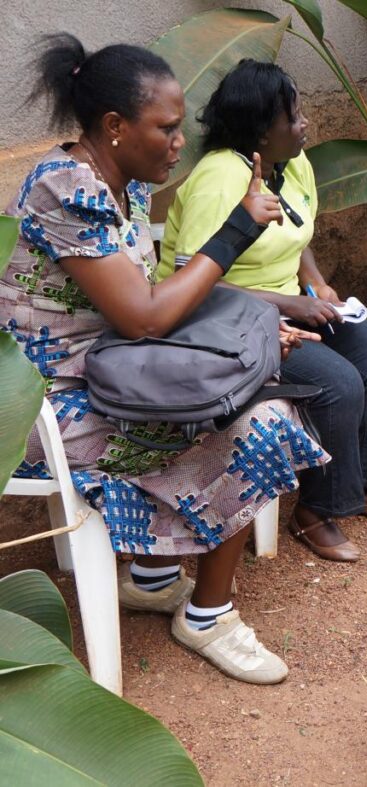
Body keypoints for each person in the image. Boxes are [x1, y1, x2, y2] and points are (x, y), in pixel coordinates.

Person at [3, 35, 329, 683]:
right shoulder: (65, 189)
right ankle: (207, 615)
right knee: (258, 417)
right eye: (168, 128)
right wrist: (237, 228)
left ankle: (153, 577)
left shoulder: (125, 185)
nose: (180, 142)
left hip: (115, 372)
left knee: (245, 373)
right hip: (47, 405)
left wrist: (249, 329)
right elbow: (145, 315)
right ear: (115, 127)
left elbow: (155, 305)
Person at [158, 60, 367, 562]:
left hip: (287, 308)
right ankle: (318, 509)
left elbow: (297, 232)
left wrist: (314, 283)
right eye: (293, 117)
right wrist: (286, 303)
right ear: (259, 129)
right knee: (338, 382)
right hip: (222, 321)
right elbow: (193, 284)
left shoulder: (293, 163)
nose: (305, 123)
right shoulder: (219, 178)